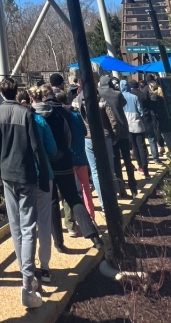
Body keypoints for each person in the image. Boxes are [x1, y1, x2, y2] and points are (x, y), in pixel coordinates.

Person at [0, 77, 49, 309]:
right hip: (25, 175)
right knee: (28, 227)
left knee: (16, 226)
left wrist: (0, 165)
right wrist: (43, 174)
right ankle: (27, 282)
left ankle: (23, 271)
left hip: (7, 175)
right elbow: (36, 147)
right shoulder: (25, 114)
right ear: (16, 92)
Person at [31, 87, 100, 247]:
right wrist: (64, 151)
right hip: (64, 160)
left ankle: (59, 242)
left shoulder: (33, 116)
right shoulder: (62, 113)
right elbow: (69, 135)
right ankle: (93, 236)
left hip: (45, 163)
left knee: (53, 201)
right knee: (72, 197)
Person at [20, 87, 57, 283]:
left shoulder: (18, 120)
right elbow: (52, 148)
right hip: (44, 175)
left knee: (26, 224)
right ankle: (45, 267)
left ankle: (27, 267)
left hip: (24, 177)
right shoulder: (41, 121)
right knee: (44, 221)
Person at [72, 76, 117, 213]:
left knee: (95, 171)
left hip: (88, 138)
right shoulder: (101, 100)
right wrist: (114, 135)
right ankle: (111, 201)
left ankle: (104, 204)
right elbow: (112, 120)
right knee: (109, 170)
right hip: (105, 137)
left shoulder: (76, 102)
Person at [56, 90, 96, 232]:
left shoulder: (59, 117)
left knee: (70, 191)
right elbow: (85, 132)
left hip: (68, 160)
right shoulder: (76, 115)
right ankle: (91, 218)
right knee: (86, 188)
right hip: (81, 157)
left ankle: (71, 223)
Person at [98, 75, 137, 197]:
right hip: (122, 130)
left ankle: (121, 189)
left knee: (116, 163)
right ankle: (133, 186)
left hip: (109, 131)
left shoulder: (98, 94)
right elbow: (123, 105)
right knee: (127, 159)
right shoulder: (117, 94)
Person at [120, 80, 148, 177]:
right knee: (142, 147)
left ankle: (139, 166)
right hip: (137, 124)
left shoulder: (120, 97)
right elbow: (140, 111)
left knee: (134, 147)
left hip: (127, 126)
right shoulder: (134, 97)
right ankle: (145, 169)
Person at [148, 80, 171, 153]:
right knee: (169, 135)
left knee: (165, 136)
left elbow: (153, 108)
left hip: (160, 119)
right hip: (167, 117)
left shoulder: (154, 97)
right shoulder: (163, 95)